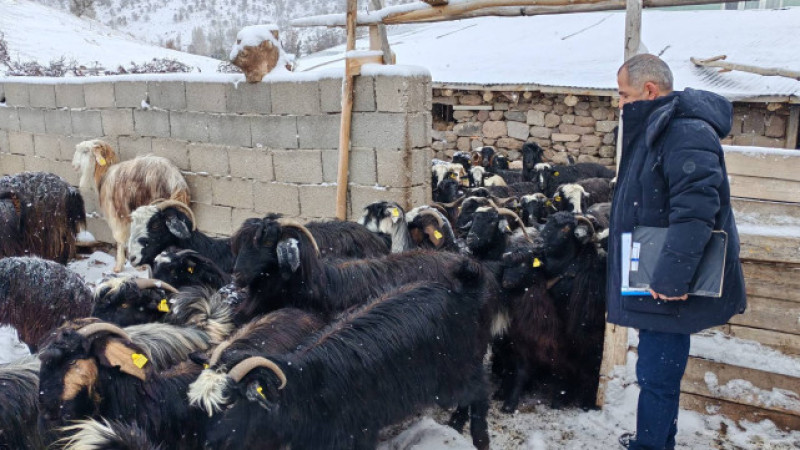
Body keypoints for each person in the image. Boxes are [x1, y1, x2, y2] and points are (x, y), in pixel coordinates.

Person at [607, 54, 747, 450]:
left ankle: (651, 446)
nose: (620, 102)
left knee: (657, 375)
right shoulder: (660, 127)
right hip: (655, 271)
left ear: (648, 90)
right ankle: (655, 440)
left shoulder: (683, 132)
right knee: (656, 374)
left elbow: (697, 213)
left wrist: (669, 279)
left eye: (623, 94)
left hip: (666, 279)